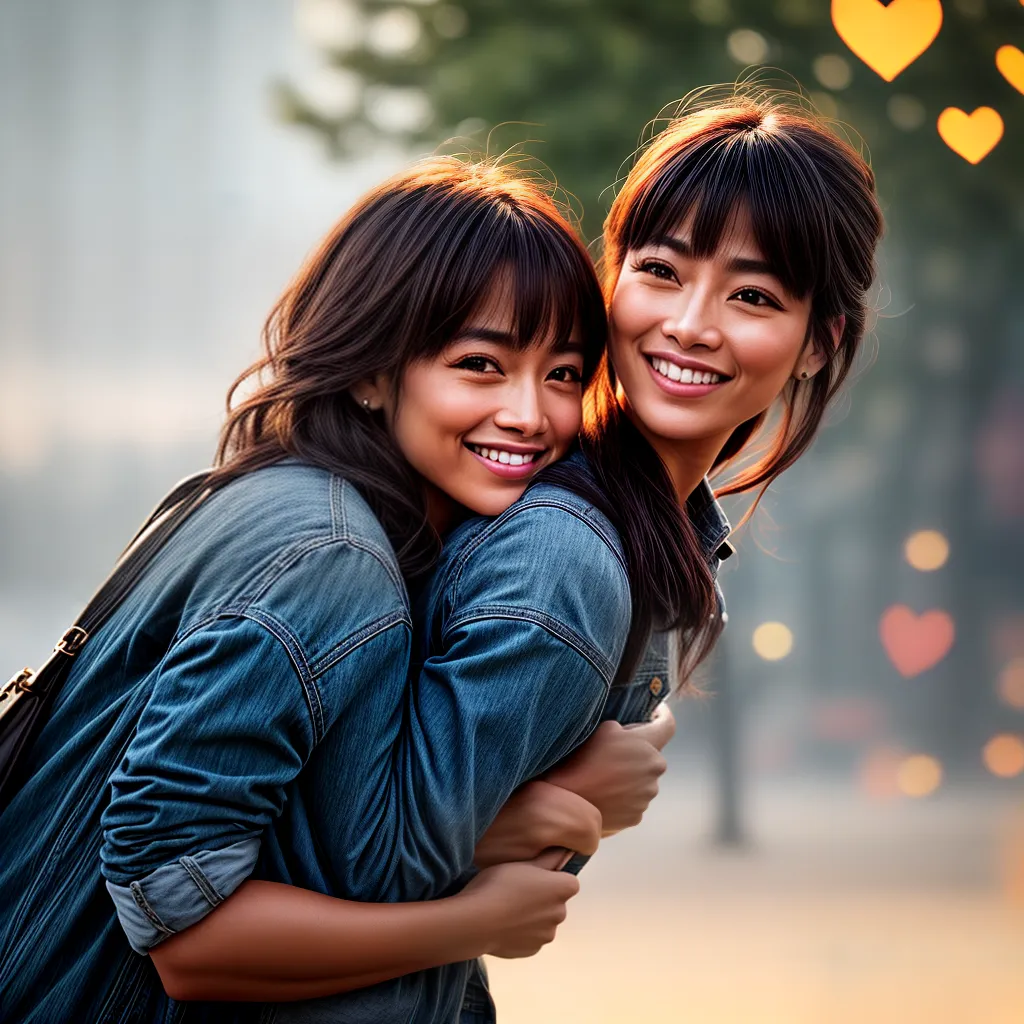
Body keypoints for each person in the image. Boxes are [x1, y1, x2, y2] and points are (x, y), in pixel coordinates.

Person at [139, 91, 885, 1023]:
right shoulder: (564, 550)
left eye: (754, 296)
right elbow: (363, 860)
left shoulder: (607, 517)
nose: (693, 324)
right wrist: (566, 798)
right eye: (660, 270)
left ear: (822, 343)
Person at [0, 157, 669, 1024]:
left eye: (564, 374)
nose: (530, 414)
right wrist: (472, 916)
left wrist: (518, 812)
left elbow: (299, 823)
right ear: (370, 370)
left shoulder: (285, 499)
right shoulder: (331, 560)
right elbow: (183, 926)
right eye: (479, 364)